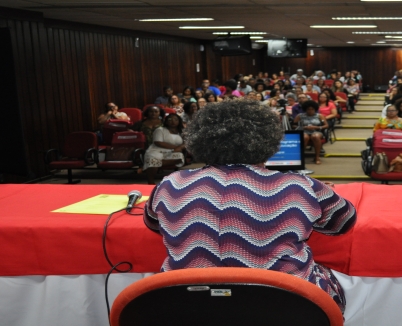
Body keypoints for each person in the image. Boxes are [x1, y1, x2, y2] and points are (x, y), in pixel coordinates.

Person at [144, 99, 356, 313]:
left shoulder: (171, 182)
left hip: (184, 303)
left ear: (201, 139)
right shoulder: (300, 185)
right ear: (268, 140)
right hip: (284, 304)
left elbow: (153, 223)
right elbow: (343, 222)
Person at [143, 113, 186, 184]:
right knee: (152, 160)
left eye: (175, 120)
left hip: (173, 152)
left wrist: (181, 147)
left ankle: (152, 165)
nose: (173, 122)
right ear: (166, 121)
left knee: (179, 158)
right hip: (156, 150)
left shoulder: (182, 131)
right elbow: (158, 142)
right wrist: (176, 148)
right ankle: (151, 182)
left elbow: (186, 142)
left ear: (179, 121)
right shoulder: (160, 130)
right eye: (170, 120)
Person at [294, 100, 329, 165]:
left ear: (315, 109)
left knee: (315, 136)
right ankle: (300, 156)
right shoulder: (300, 116)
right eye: (308, 109)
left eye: (312, 109)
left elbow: (326, 125)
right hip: (304, 131)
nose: (310, 111)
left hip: (316, 131)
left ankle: (317, 157)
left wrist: (316, 127)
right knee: (304, 137)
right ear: (305, 109)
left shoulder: (319, 116)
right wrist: (304, 127)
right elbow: (294, 125)